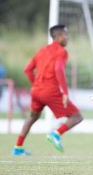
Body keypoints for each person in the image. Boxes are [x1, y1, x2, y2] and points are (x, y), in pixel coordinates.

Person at [12, 25, 83, 156]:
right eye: (65, 35)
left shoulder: (41, 51)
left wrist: (37, 84)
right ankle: (56, 134)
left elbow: (27, 70)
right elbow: (58, 70)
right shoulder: (61, 52)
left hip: (36, 91)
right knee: (77, 116)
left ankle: (18, 147)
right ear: (58, 36)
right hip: (50, 91)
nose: (67, 37)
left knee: (32, 117)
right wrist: (65, 93)